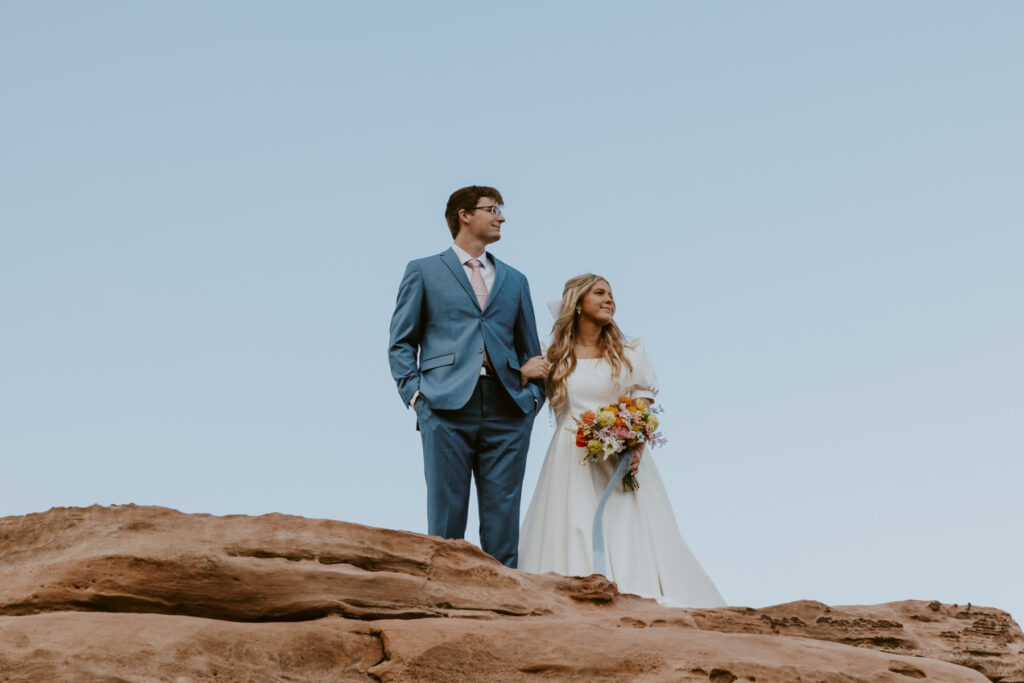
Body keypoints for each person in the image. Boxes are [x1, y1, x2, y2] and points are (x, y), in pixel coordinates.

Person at [518, 274, 725, 606]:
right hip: (570, 457)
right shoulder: (552, 355)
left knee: (627, 525)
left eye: (611, 294)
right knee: (573, 523)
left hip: (621, 458)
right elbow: (521, 387)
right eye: (599, 293)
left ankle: (634, 595)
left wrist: (635, 448)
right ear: (578, 303)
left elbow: (641, 407)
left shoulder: (630, 352)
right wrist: (521, 372)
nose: (609, 299)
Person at [388, 185, 548, 568]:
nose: (501, 217)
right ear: (464, 215)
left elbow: (532, 351)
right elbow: (401, 343)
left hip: (508, 409)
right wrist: (417, 398)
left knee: (503, 525)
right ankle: (446, 608)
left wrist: (532, 402)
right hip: (443, 406)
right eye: (492, 209)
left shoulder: (515, 280)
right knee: (445, 525)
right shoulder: (423, 270)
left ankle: (505, 610)